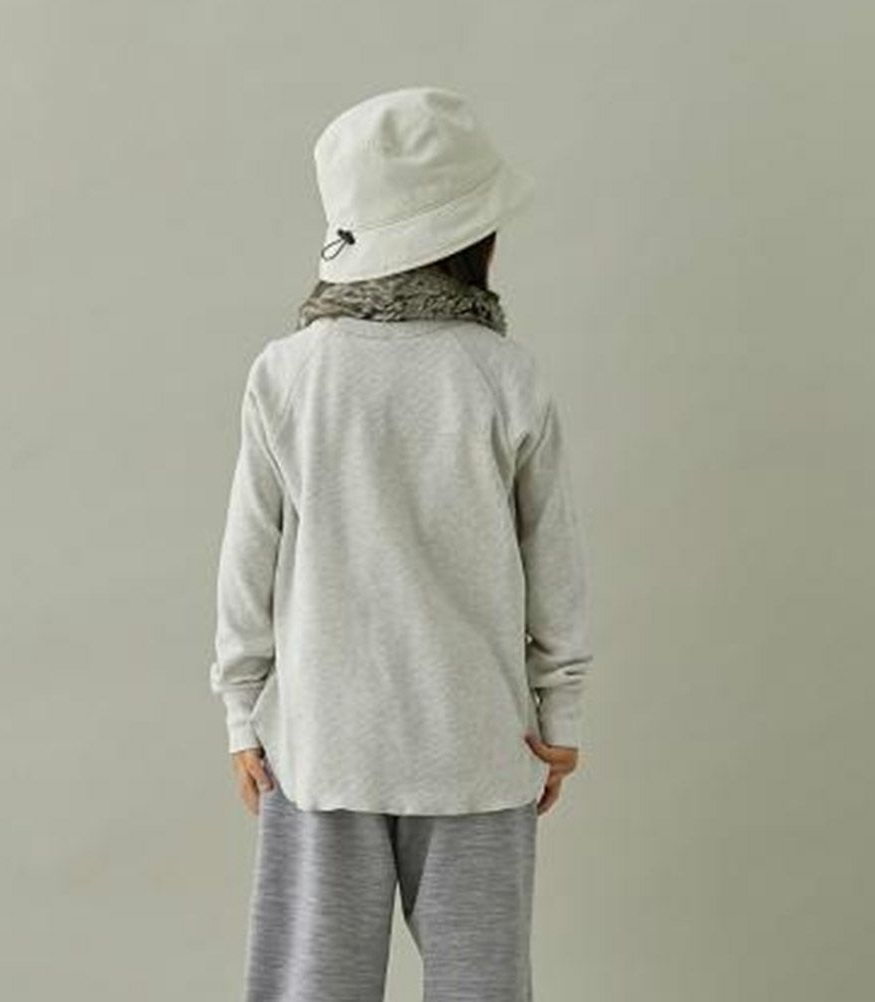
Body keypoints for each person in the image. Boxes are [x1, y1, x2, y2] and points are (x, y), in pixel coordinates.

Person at [209, 85, 594, 1002]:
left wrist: (241, 711)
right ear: (474, 236)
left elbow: (248, 558)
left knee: (314, 985)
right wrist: (562, 712)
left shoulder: (289, 374)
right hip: (476, 740)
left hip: (321, 740)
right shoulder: (505, 376)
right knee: (482, 984)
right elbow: (554, 564)